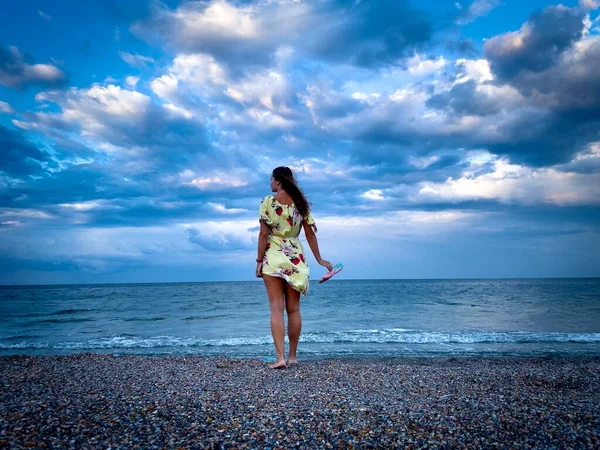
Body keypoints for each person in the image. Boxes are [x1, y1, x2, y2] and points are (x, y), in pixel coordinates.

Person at [255, 166, 332, 369]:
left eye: (271, 180)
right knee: (294, 309)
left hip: (273, 255)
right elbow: (310, 234)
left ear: (278, 180)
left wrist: (258, 261)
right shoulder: (301, 203)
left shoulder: (267, 202)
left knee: (276, 308)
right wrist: (320, 260)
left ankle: (279, 358)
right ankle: (292, 357)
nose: (270, 183)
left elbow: (263, 234)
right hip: (295, 258)